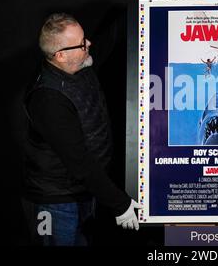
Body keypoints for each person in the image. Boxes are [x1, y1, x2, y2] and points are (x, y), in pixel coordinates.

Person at [22, 13, 142, 246]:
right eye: (81, 42)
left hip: (85, 192)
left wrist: (146, 7)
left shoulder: (78, 62)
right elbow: (80, 162)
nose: (89, 43)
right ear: (60, 55)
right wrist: (121, 204)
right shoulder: (48, 99)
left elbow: (111, 33)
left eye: (84, 37)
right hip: (55, 203)